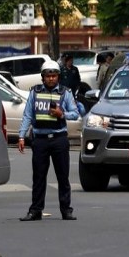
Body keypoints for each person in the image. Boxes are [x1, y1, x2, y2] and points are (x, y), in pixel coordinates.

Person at [18, 60, 80, 221]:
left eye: (54, 76)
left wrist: (61, 114)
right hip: (40, 140)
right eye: (48, 76)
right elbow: (27, 115)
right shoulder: (35, 92)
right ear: (42, 77)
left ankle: (66, 210)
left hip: (59, 138)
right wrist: (21, 136)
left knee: (63, 177)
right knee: (38, 177)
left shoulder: (65, 93)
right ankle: (35, 210)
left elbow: (75, 113)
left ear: (58, 77)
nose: (51, 79)